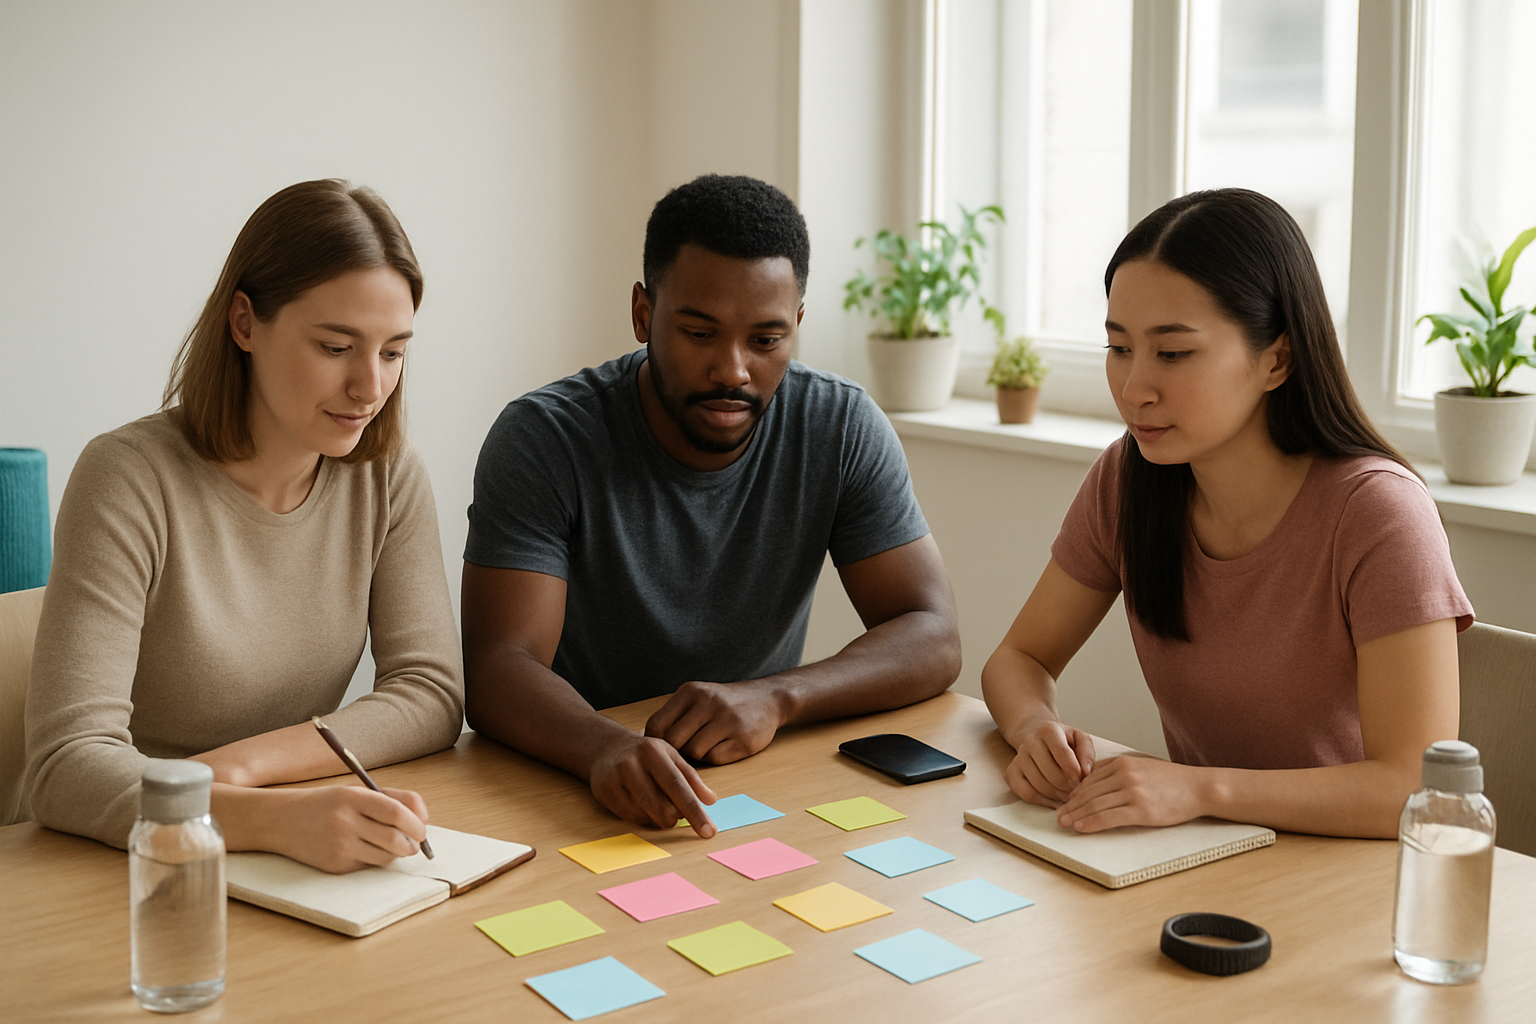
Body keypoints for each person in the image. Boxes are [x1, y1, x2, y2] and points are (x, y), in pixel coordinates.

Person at [462, 174, 960, 837]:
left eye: (766, 339)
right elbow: (499, 669)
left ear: (798, 326)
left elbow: (931, 632)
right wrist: (602, 745)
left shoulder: (840, 425)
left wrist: (778, 697)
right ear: (644, 313)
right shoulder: (544, 437)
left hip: (753, 778)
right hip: (574, 778)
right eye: (700, 333)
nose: (733, 370)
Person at [981, 188, 1472, 840]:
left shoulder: (1378, 515)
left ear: (1278, 358)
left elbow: (1413, 787)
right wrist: (1034, 728)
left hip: (1350, 878)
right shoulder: (1130, 480)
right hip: (1204, 863)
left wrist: (1199, 788)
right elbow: (1019, 657)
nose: (1135, 389)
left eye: (1174, 353)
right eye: (1119, 348)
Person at [25, 180, 464, 872]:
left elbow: (431, 694)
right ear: (243, 323)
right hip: (132, 865)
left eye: (392, 351)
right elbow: (64, 767)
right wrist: (266, 816)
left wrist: (244, 767)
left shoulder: (387, 475)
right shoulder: (127, 477)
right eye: (335, 346)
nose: (370, 388)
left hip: (283, 837)